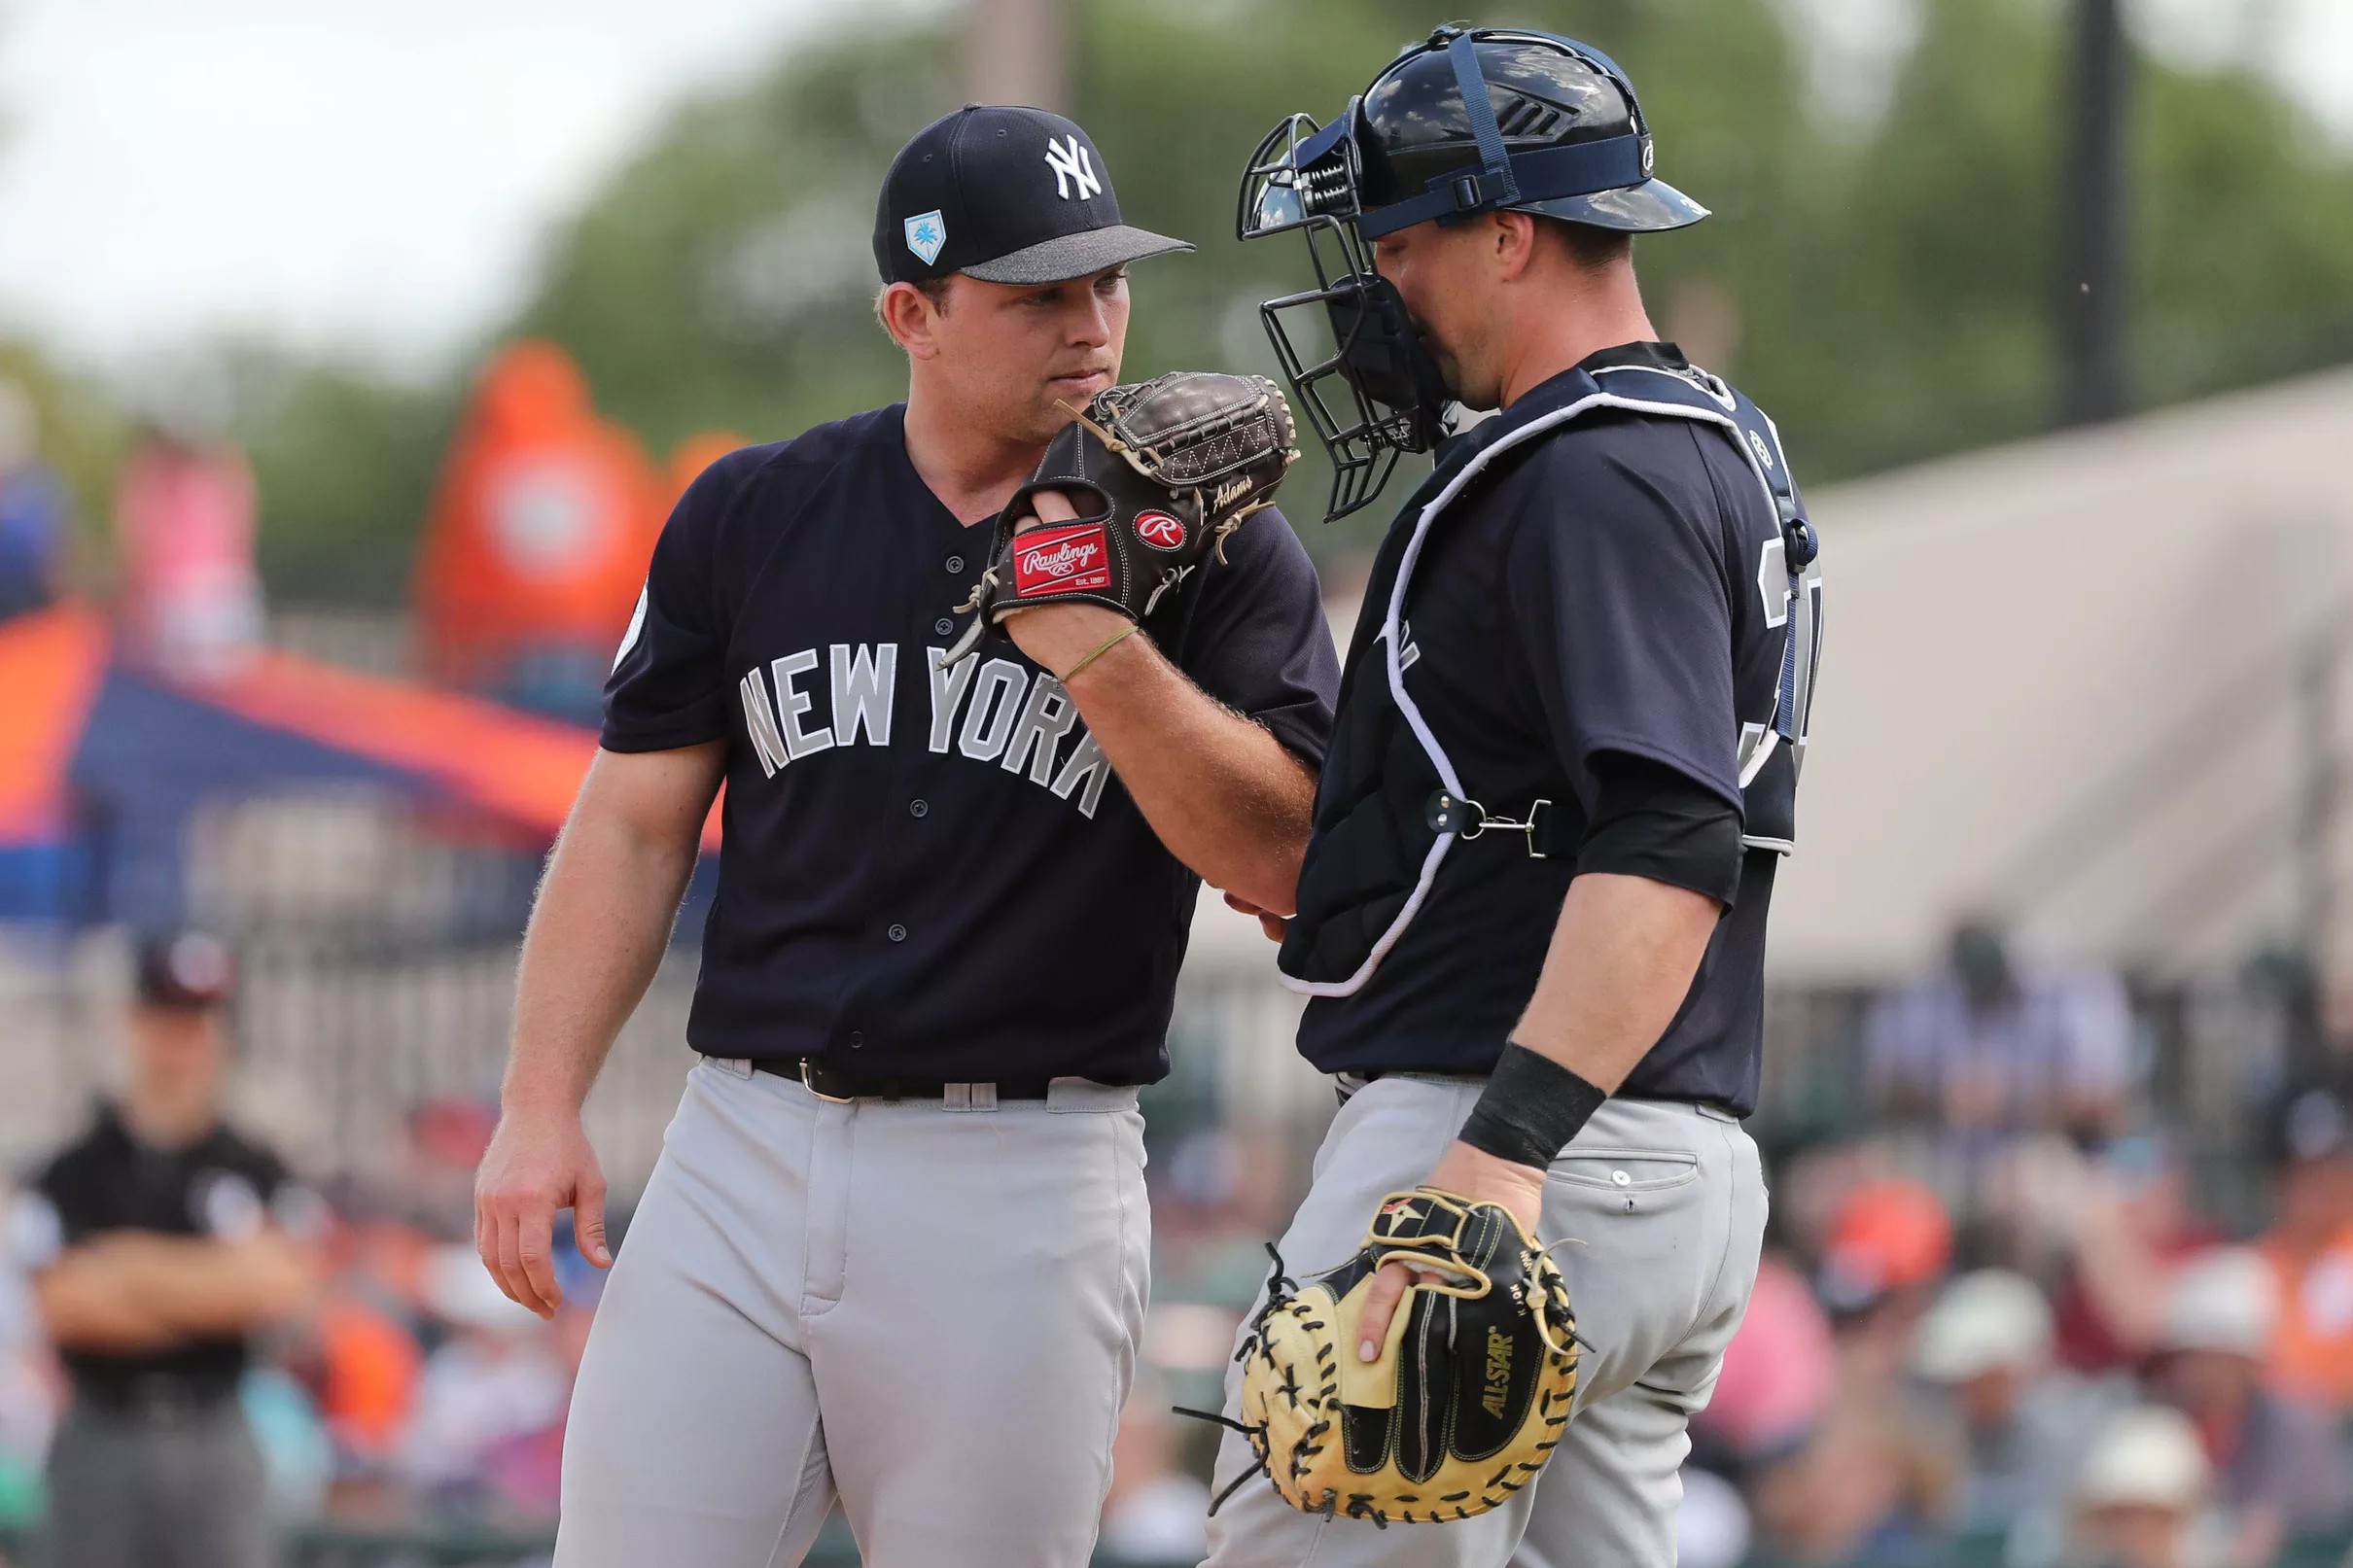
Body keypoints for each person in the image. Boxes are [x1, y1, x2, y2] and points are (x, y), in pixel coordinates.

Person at [472, 103, 1338, 1568]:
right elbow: (631, 826)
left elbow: (1287, 861)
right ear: (912, 312)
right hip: (742, 1141)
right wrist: (539, 1099)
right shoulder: (756, 513)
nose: (1093, 324)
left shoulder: (1214, 545)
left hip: (1024, 1172)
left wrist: (1098, 640)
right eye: (1039, 294)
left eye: (1107, 281)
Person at [1207, 25, 1824, 1566]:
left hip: (1519, 1138)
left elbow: (1672, 834)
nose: (1379, 285)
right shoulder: (1697, 438)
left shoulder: (1592, 468)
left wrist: (1500, 1155)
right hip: (1659, 1160)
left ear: (1510, 230)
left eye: (1401, 241)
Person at [10, 932, 322, 1568]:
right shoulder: (75, 1169)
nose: (183, 1041)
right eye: (168, 1018)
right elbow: (66, 1305)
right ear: (135, 1023)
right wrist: (212, 1281)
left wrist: (124, 1265)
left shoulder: (256, 1164)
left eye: (200, 1021)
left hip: (216, 1425)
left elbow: (279, 1289)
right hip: (103, 1428)